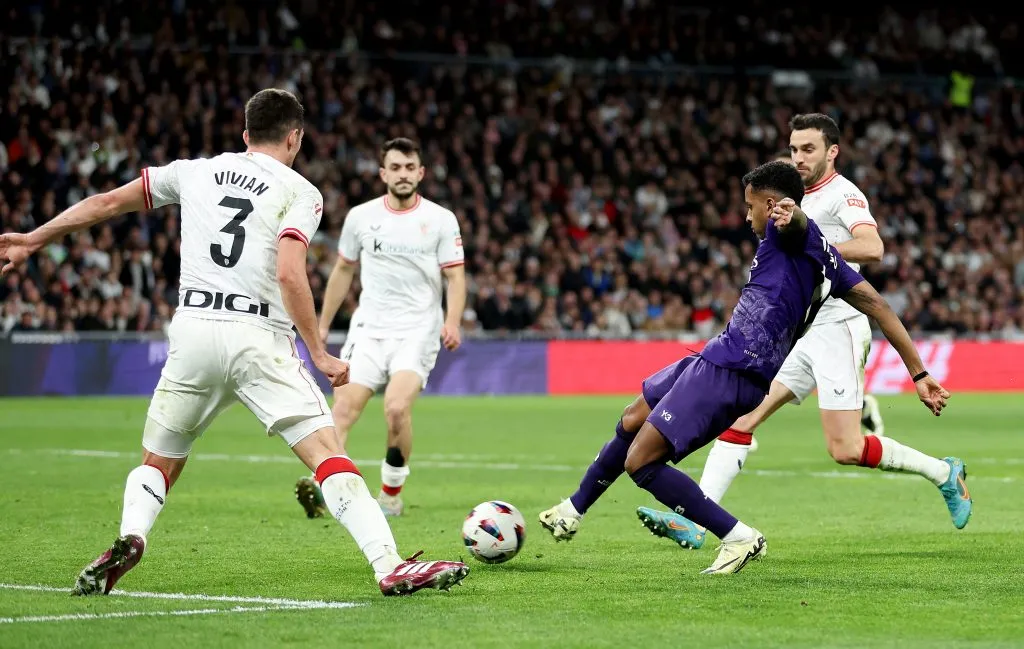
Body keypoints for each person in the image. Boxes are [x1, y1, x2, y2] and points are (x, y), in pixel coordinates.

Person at [0, 89, 469, 597]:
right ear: (295, 137)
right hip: (257, 337)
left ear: (245, 135)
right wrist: (317, 351)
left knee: (158, 461)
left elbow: (109, 202)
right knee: (327, 451)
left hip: (194, 332)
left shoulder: (192, 171)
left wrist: (34, 238)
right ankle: (388, 563)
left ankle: (131, 535)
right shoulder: (301, 191)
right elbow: (290, 274)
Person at [538, 160, 955, 574]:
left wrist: (793, 215)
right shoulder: (827, 258)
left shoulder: (788, 229)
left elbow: (796, 225)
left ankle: (738, 536)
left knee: (641, 463)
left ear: (772, 204)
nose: (746, 215)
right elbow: (879, 306)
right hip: (718, 355)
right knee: (632, 418)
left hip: (734, 369)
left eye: (750, 206)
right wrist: (919, 374)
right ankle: (572, 510)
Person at [294, 137, 466, 519]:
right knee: (342, 410)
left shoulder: (439, 219)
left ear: (420, 173)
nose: (402, 174)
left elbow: (455, 277)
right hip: (369, 329)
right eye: (396, 167)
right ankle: (331, 488)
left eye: (409, 168)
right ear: (383, 173)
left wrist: (452, 321)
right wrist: (322, 325)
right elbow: (342, 271)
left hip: (418, 330)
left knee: (396, 408)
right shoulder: (361, 217)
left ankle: (390, 495)